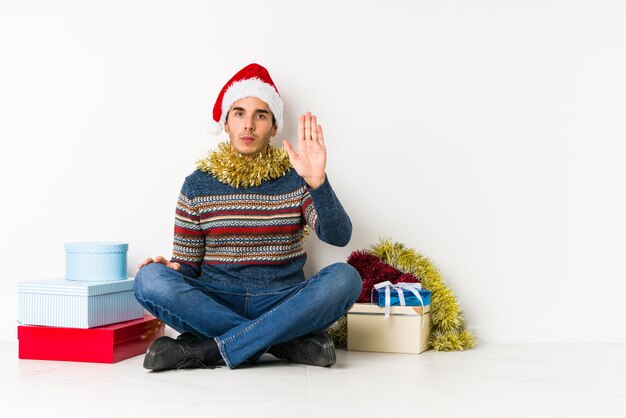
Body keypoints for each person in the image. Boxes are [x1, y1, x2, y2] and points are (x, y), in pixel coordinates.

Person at [133, 63, 362, 371]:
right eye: (239, 113)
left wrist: (318, 183)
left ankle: (209, 350)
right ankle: (282, 341)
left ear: (275, 126)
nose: (249, 125)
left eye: (261, 115)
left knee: (345, 278)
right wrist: (171, 269)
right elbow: (187, 265)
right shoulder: (198, 184)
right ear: (226, 123)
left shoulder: (296, 179)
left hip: (283, 298)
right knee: (149, 279)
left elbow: (338, 236)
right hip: (217, 300)